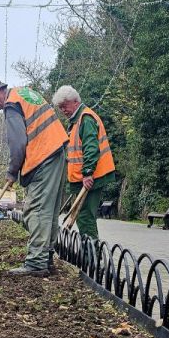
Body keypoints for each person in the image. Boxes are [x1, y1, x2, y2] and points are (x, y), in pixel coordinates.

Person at [0, 76, 68, 276]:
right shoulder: (25, 94)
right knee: (49, 211)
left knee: (35, 210)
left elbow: (17, 143)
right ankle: (46, 257)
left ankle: (36, 262)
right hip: (57, 152)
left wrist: (12, 172)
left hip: (44, 156)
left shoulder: (12, 104)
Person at [51, 85, 115, 240]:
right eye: (60, 108)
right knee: (80, 215)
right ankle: (90, 253)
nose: (63, 110)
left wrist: (87, 173)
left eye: (64, 106)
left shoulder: (86, 119)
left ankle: (91, 255)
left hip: (91, 176)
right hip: (82, 178)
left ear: (74, 101)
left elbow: (91, 148)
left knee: (85, 216)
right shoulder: (75, 121)